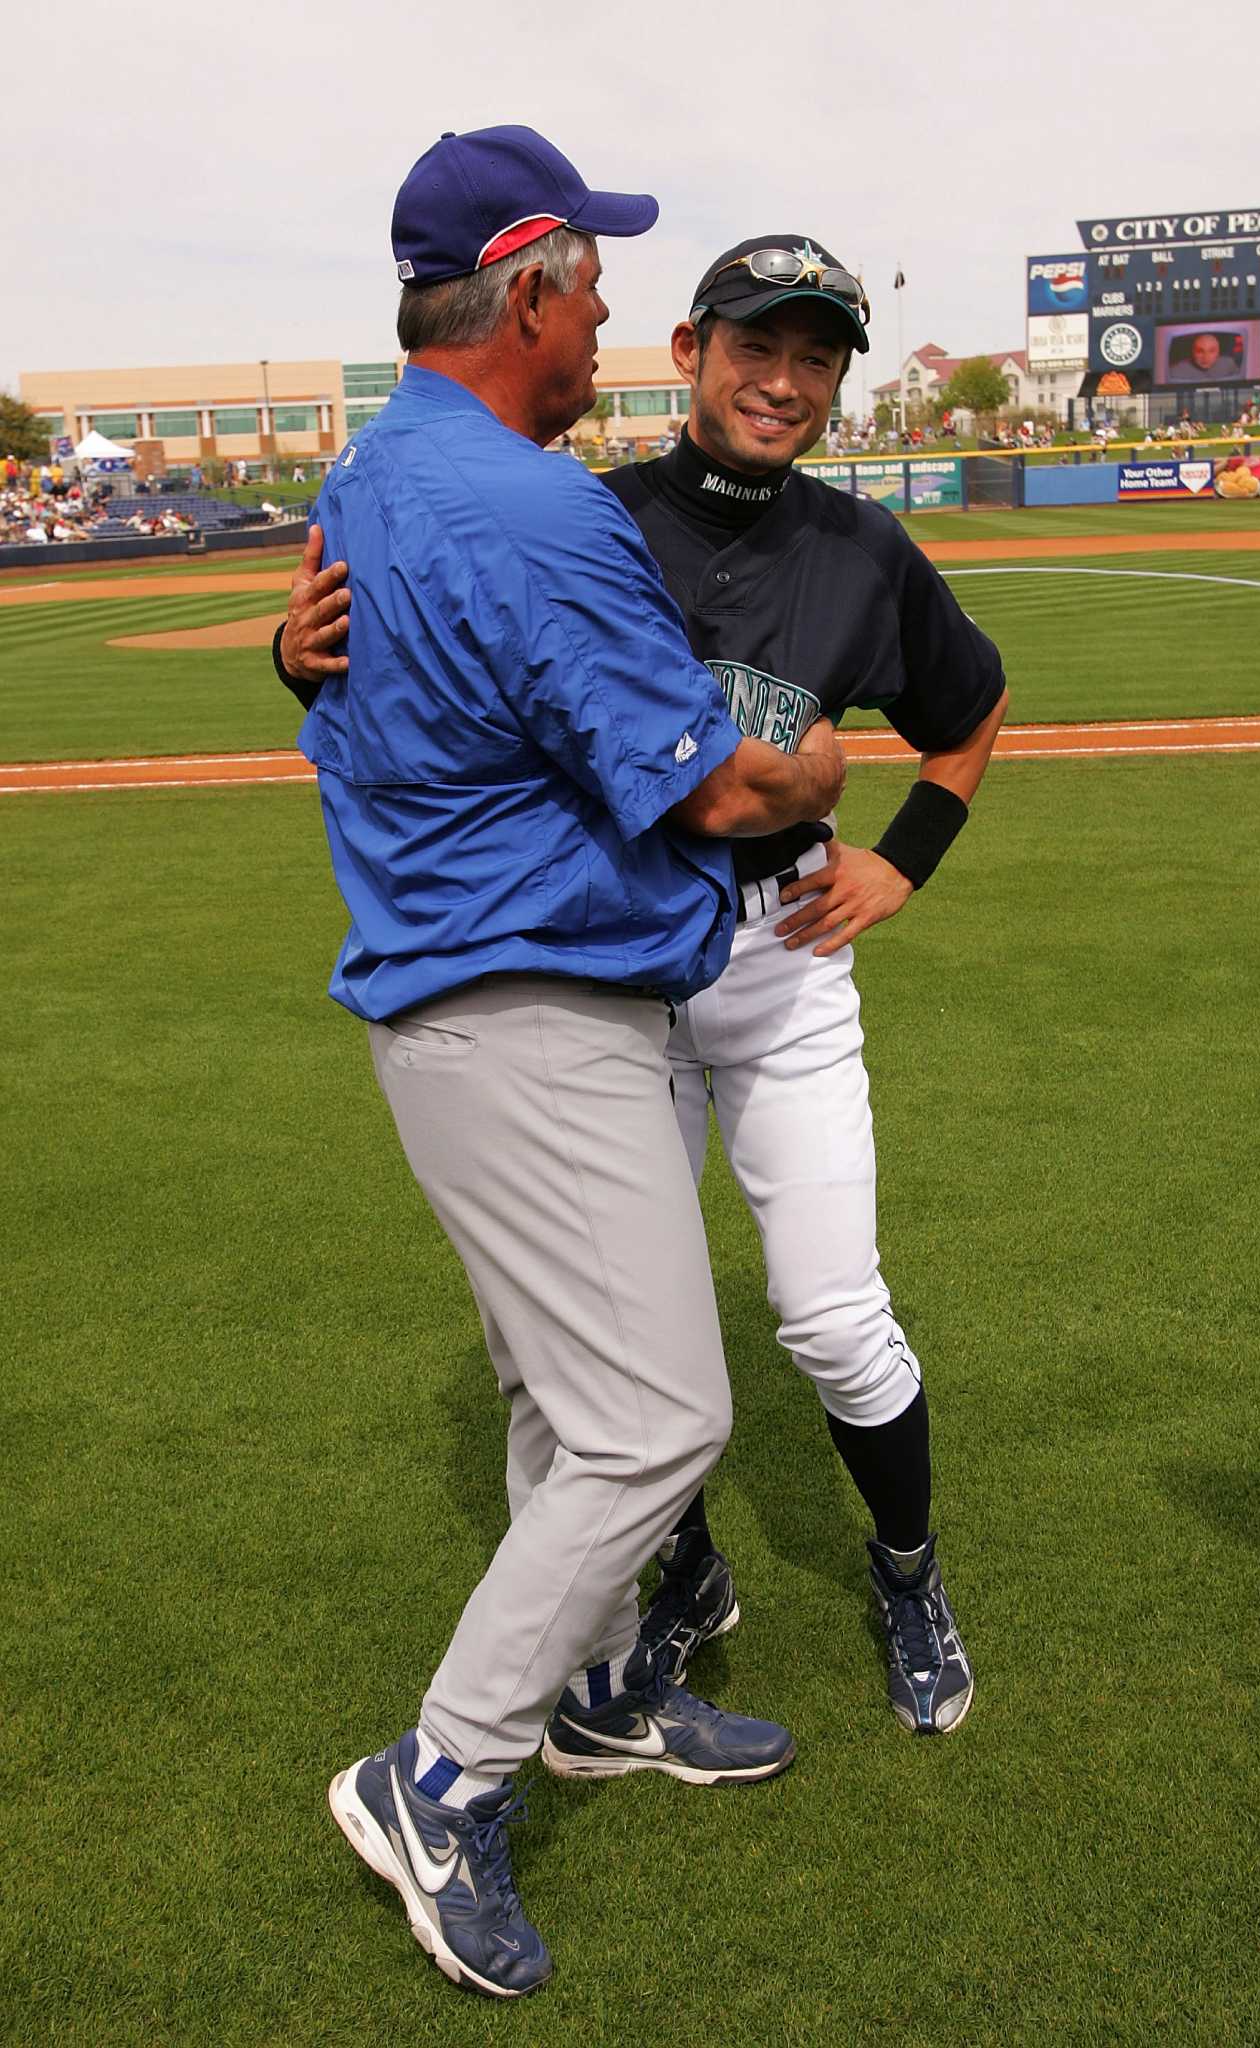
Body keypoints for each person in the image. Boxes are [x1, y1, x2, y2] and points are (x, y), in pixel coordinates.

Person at [279, 229, 1008, 1743]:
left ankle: (908, 1570)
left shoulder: (861, 552)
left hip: (785, 957)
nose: (784, 381)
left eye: (816, 357)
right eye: (757, 347)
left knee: (830, 1315)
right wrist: (297, 665)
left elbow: (969, 702)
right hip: (621, 968)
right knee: (623, 1333)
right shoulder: (582, 521)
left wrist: (903, 860)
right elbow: (418, 672)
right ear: (687, 352)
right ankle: (659, 1594)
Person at [282, 128, 850, 2002]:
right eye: (590, 275)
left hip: (476, 1000)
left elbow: (364, 682)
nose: (604, 303)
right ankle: (439, 1774)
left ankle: (603, 1691)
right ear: (524, 292)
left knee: (561, 1399)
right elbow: (711, 784)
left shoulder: (379, 468)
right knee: (656, 1421)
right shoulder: (534, 507)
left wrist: (292, 674)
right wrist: (815, 774)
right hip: (527, 1009)